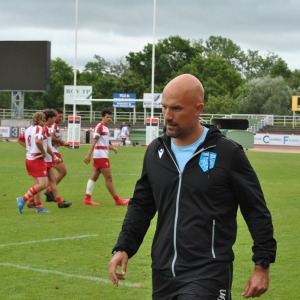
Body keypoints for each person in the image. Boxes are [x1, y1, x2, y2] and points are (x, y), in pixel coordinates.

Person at [109, 74, 276, 299]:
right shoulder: (155, 152)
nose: (167, 116)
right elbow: (142, 205)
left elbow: (256, 210)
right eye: (164, 107)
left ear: (198, 109)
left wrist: (262, 264)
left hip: (209, 272)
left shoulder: (227, 153)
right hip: (163, 271)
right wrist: (124, 247)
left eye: (176, 108)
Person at [83, 108, 130, 206]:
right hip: (101, 156)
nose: (109, 119)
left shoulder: (105, 128)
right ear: (102, 117)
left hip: (101, 155)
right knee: (108, 178)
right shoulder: (99, 127)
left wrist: (112, 147)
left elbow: (103, 143)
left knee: (94, 176)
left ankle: (87, 199)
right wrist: (88, 155)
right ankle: (118, 200)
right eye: (107, 117)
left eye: (110, 117)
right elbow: (94, 141)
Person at [17, 112, 54, 213]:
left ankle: (39, 207)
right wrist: (43, 152)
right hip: (36, 159)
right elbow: (38, 141)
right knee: (43, 184)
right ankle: (23, 199)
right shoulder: (40, 129)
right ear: (42, 119)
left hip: (29, 158)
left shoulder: (29, 129)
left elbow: (19, 139)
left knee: (37, 183)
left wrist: (29, 148)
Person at [43, 109, 72, 209]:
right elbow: (50, 137)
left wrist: (61, 144)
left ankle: (48, 195)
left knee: (47, 178)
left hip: (52, 151)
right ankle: (49, 191)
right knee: (62, 171)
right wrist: (63, 142)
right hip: (52, 153)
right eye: (59, 116)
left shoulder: (54, 126)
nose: (60, 118)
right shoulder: (53, 125)